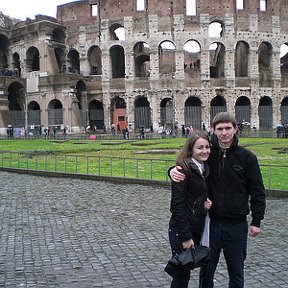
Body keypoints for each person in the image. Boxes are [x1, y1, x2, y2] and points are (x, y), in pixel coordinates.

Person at [169, 112, 266, 288]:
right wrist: (171, 170)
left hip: (236, 225)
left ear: (235, 129)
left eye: (228, 128)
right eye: (219, 129)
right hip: (210, 224)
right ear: (213, 130)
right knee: (206, 273)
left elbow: (257, 191)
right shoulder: (209, 154)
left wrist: (257, 220)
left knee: (236, 273)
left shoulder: (247, 158)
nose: (224, 133)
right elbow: (186, 163)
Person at [168, 131, 212, 288]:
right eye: (200, 147)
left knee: (185, 271)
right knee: (181, 274)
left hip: (196, 227)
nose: (205, 151)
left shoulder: (204, 167)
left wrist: (205, 203)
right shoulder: (182, 170)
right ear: (191, 149)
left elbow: (197, 195)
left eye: (207, 147)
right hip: (181, 230)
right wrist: (186, 238)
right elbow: (177, 206)